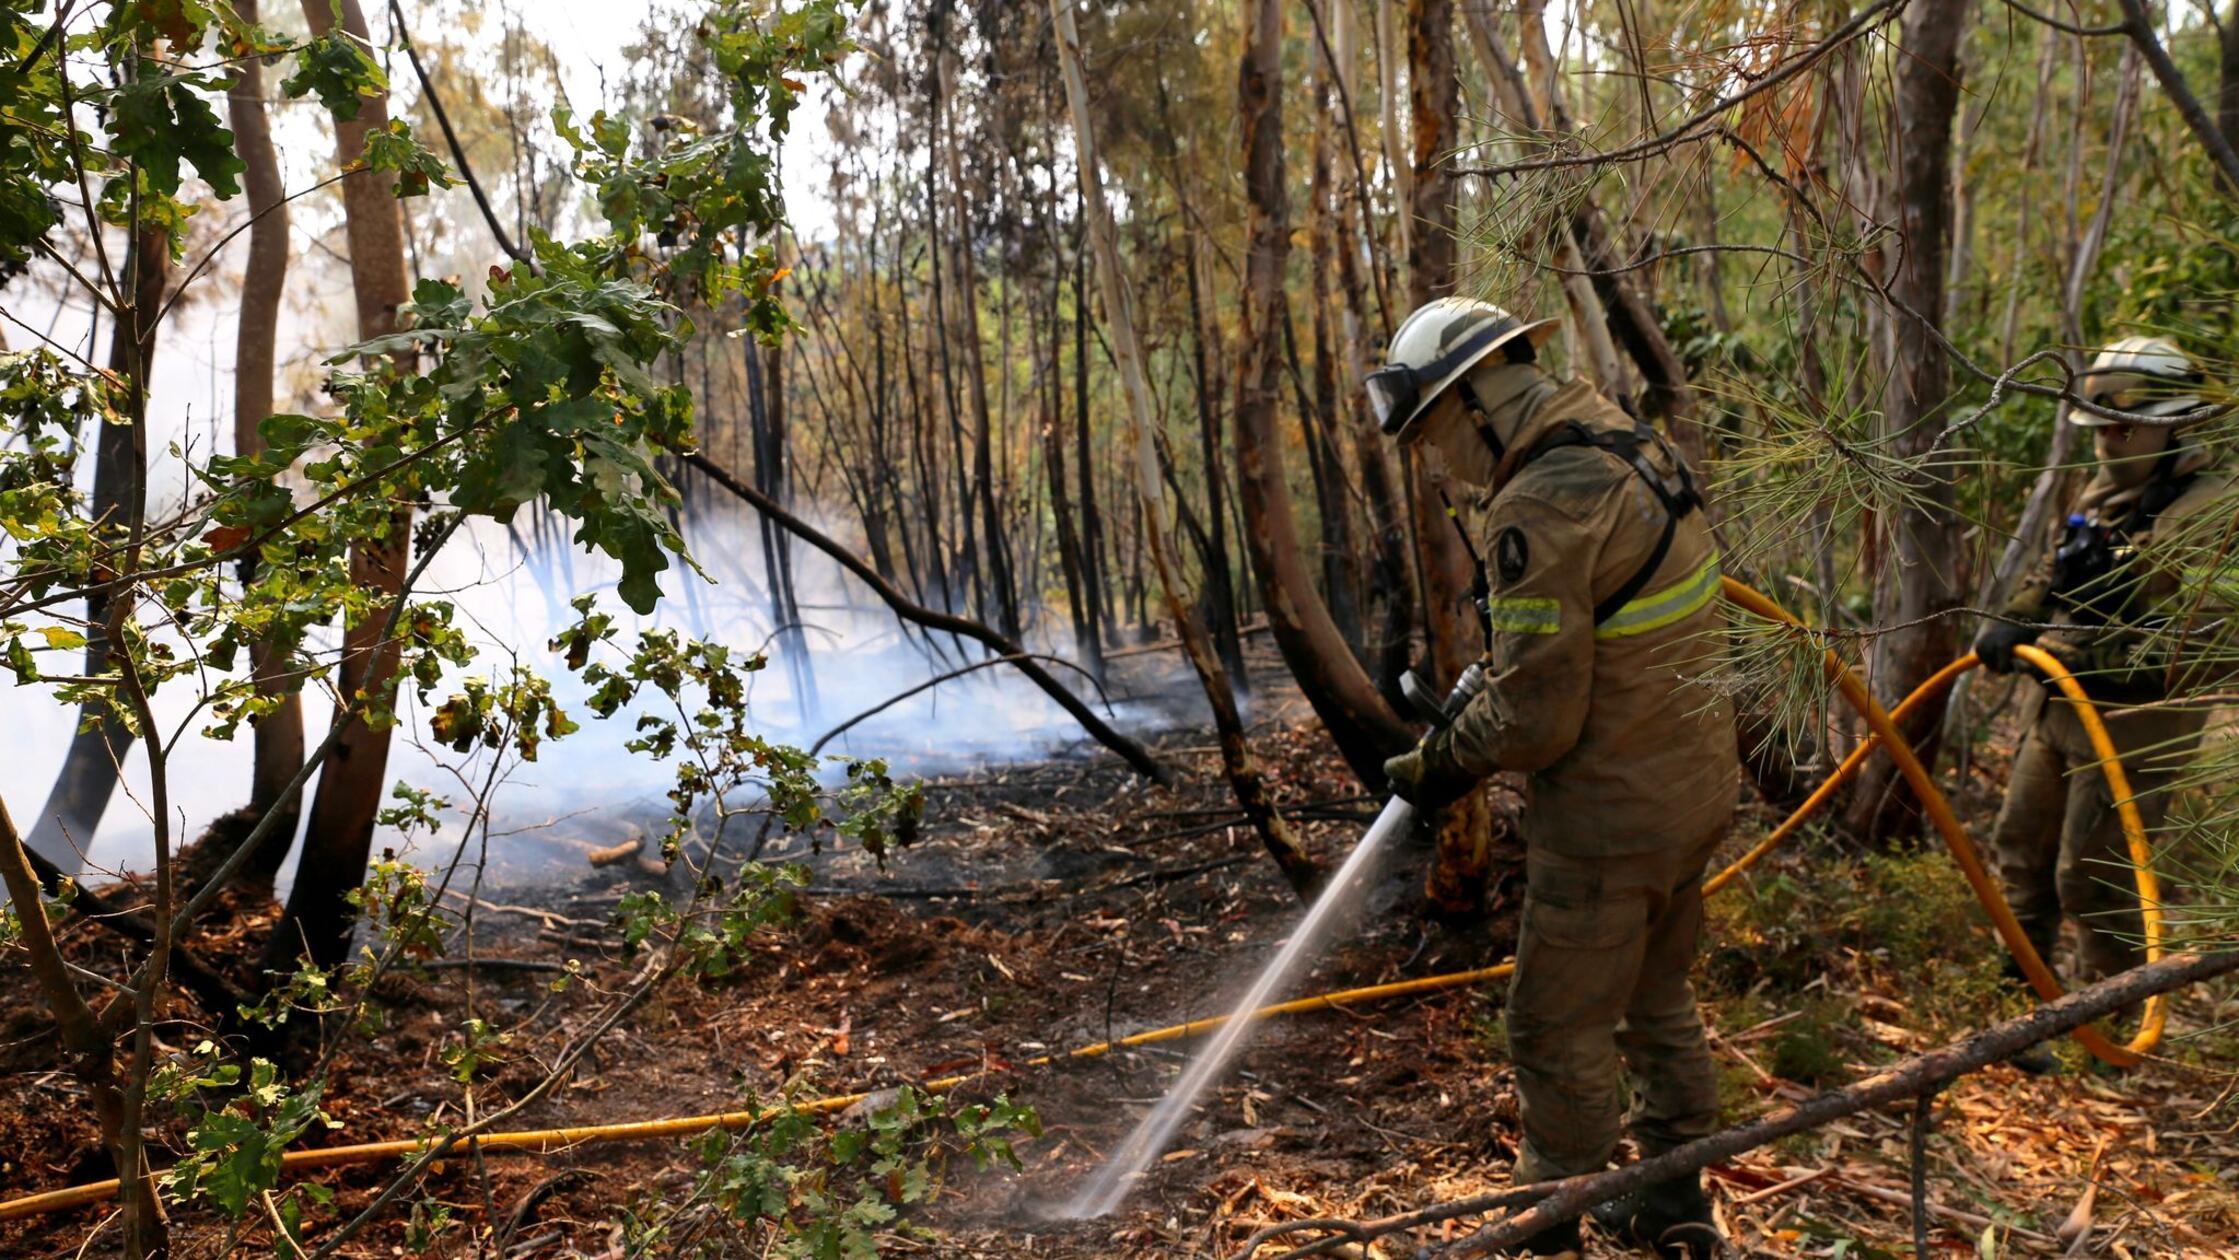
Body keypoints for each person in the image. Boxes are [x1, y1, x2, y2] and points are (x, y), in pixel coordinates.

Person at [1375, 297, 1739, 1258]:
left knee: (1550, 1023)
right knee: (1656, 996)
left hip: (1611, 816)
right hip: (1692, 782)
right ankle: (1673, 1203)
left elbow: (1537, 721)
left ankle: (1551, 1224)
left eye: (1435, 432)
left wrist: (1438, 763)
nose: (1437, 457)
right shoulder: (1619, 436)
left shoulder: (1538, 499)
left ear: (1476, 399)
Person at [1973, 336, 2229, 1007]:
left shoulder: (2212, 518)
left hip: (2135, 732)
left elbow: (2201, 648)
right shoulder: (2108, 488)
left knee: (2091, 880)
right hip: (2057, 712)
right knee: (2019, 850)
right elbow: (2060, 565)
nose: (2106, 445)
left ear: (2174, 427)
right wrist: (2018, 616)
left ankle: (2106, 1026)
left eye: (2122, 429)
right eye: (2096, 430)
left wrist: (2077, 661)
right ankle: (2018, 1005)